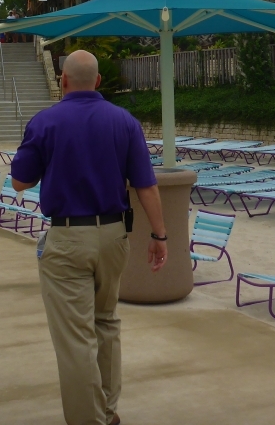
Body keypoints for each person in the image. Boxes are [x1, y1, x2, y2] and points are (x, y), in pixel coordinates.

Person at [11, 50, 166, 425]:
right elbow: (146, 185)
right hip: (114, 236)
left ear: (63, 80)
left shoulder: (45, 122)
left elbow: (20, 182)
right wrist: (160, 235)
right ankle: (108, 411)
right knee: (106, 321)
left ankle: (89, 420)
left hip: (67, 239)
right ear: (98, 81)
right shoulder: (125, 122)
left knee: (75, 337)